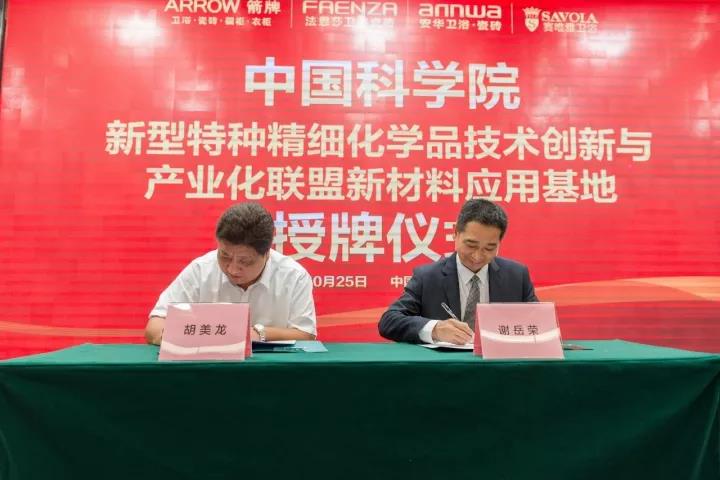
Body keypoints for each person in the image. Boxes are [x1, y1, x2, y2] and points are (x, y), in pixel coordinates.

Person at [145, 202, 317, 345]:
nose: (232, 269)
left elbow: (306, 335)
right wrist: (188, 336)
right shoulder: (201, 270)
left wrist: (254, 334)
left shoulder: (294, 276)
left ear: (266, 253)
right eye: (225, 256)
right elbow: (155, 326)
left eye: (245, 261)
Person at [378, 199, 537, 345]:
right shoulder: (427, 277)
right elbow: (389, 321)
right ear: (456, 233)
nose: (477, 256)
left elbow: (540, 322)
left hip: (500, 364)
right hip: (445, 365)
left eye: (489, 248)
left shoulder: (516, 276)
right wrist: (435, 329)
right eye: (471, 245)